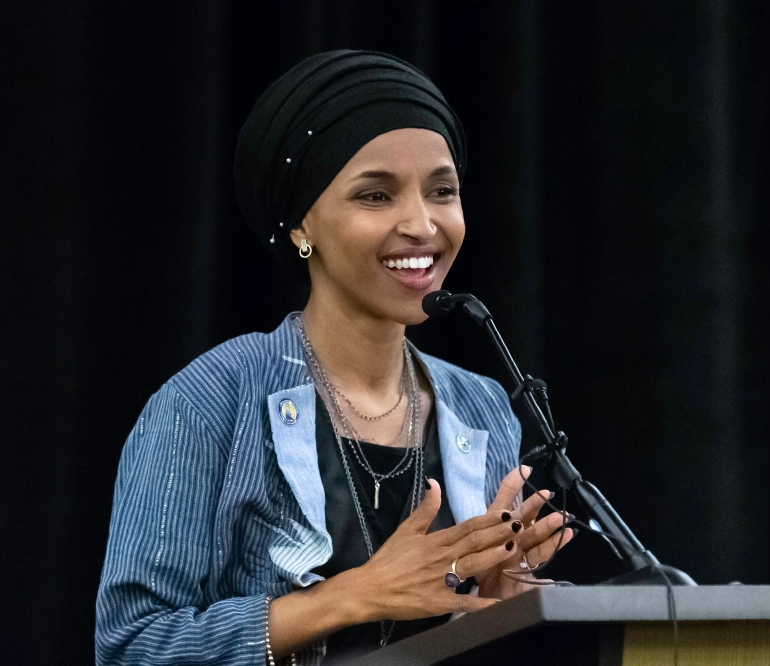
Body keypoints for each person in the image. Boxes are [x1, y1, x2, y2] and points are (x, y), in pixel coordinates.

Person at [94, 50, 574, 666]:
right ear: (301, 226)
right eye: (376, 195)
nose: (422, 224)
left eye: (442, 191)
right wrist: (354, 595)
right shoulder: (211, 400)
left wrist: (500, 609)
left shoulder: (481, 407)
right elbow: (131, 646)